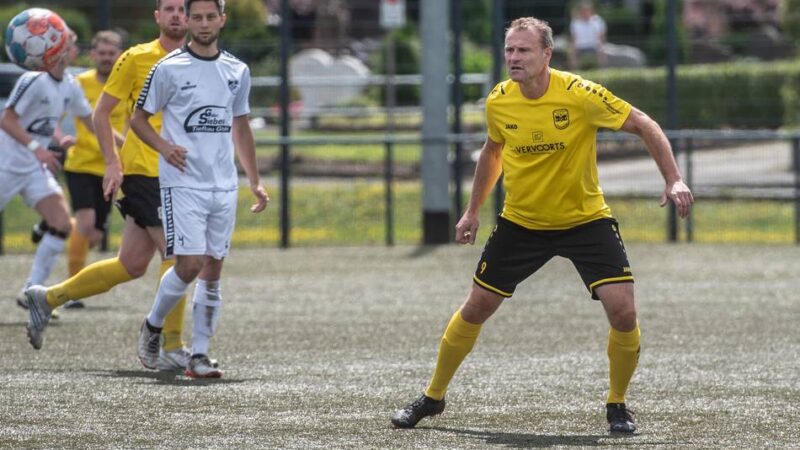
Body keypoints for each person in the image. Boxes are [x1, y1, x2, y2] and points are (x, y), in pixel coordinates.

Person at [390, 17, 694, 433]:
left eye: (523, 50)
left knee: (623, 312)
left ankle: (617, 405)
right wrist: (472, 211)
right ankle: (432, 397)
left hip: (585, 221)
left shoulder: (581, 94)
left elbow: (645, 124)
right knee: (476, 307)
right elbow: (492, 152)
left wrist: (673, 178)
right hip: (522, 223)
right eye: (509, 50)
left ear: (547, 54)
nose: (514, 58)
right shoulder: (499, 100)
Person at [23, 0, 193, 372]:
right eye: (169, 9)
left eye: (183, 9)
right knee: (178, 256)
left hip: (181, 174)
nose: (177, 15)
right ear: (157, 16)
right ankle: (171, 343)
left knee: (131, 265)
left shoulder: (201, 61)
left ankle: (48, 297)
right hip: (145, 171)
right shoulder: (135, 58)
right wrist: (113, 163)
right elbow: (100, 113)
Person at [132, 0, 268, 378]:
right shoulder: (168, 68)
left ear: (222, 20)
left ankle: (200, 355)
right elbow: (138, 120)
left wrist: (254, 180)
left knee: (213, 267)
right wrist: (164, 147)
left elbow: (241, 126)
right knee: (189, 264)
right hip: (182, 182)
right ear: (188, 21)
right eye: (197, 17)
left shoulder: (237, 70)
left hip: (222, 184)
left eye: (211, 17)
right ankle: (153, 325)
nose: (204, 23)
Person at [1, 27, 93, 326]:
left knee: (62, 223)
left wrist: (124, 143)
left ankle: (32, 293)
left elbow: (90, 121)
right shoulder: (33, 79)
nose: (75, 51)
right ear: (57, 49)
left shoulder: (69, 85)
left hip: (32, 168)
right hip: (6, 163)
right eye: (72, 45)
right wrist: (38, 149)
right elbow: (7, 120)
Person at [60, 31, 128, 308]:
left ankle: (57, 227)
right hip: (80, 163)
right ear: (93, 55)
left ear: (120, 56)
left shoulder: (126, 84)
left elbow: (135, 121)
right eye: (102, 53)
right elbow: (55, 116)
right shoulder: (79, 83)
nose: (106, 58)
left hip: (110, 169)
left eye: (111, 54)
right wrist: (59, 137)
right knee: (86, 222)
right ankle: (71, 291)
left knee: (95, 236)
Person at [568, 1, 607, 70]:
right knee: (571, 52)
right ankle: (575, 69)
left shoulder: (597, 21)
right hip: (580, 47)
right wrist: (572, 51)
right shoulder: (575, 23)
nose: (585, 13)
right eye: (583, 11)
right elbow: (574, 39)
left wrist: (602, 47)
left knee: (602, 49)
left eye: (587, 11)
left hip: (594, 46)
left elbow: (601, 37)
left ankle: (602, 70)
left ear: (591, 11)